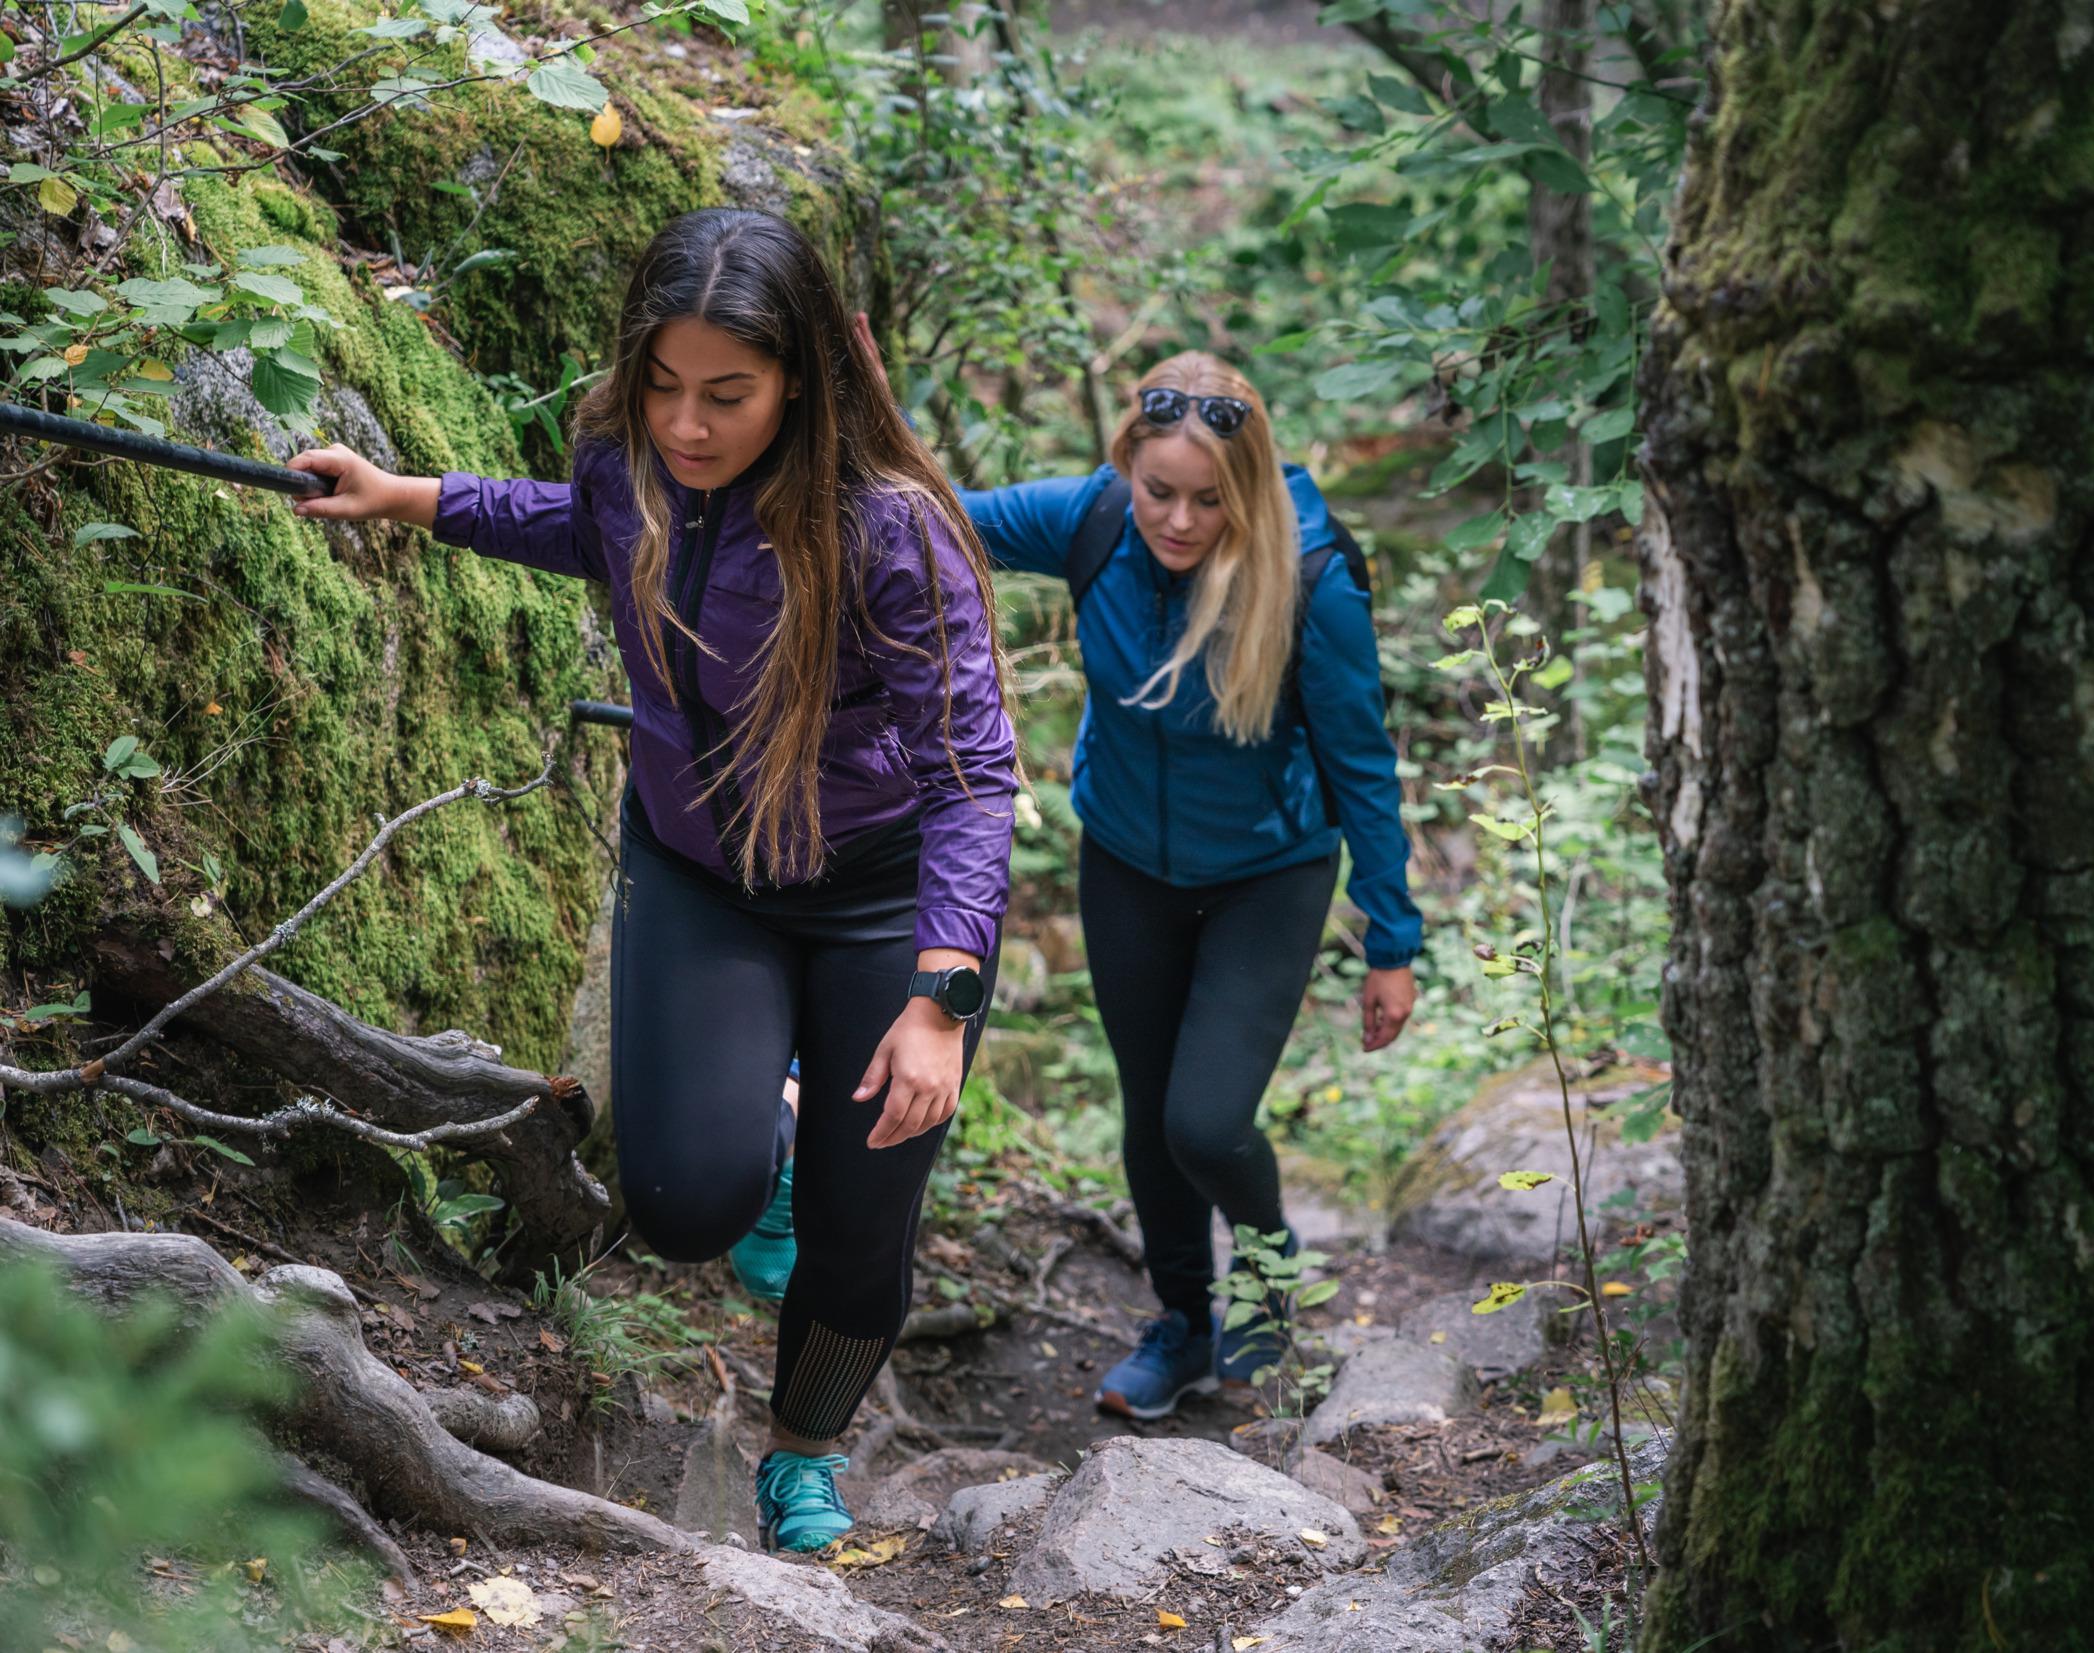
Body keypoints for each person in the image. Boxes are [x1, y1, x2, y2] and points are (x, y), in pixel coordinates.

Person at [286, 208, 1016, 1553]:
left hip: (880, 895)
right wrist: (412, 497)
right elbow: (587, 525)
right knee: (686, 1205)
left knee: (863, 1234)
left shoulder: (890, 532)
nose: (688, 424)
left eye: (727, 395)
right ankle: (774, 1133)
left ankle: (802, 1458)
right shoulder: (628, 458)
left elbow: (975, 766)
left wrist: (943, 995)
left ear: (801, 377)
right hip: (700, 875)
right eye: (667, 385)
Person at [958, 351, 1421, 1418]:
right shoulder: (1090, 522)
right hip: (1124, 863)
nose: (1176, 520)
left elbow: (1361, 763)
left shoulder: (1310, 579)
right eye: (1157, 490)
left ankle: (1263, 1264)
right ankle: (1179, 1322)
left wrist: (1390, 942)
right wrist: (863, 403)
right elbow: (936, 511)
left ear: (1247, 488)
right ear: (1124, 465)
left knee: (1204, 1122)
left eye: (1208, 499)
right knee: (1147, 1112)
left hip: (1268, 876)